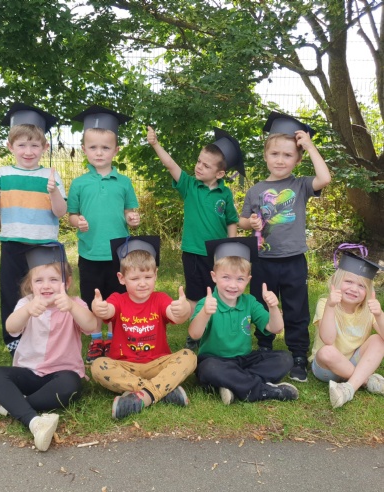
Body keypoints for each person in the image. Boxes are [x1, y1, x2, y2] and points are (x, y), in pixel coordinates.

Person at [239, 111, 332, 382]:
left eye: (288, 155)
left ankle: (298, 355)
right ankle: (265, 348)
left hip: (293, 260)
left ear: (298, 159)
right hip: (263, 260)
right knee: (261, 305)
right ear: (265, 156)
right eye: (275, 154)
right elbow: (242, 220)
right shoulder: (256, 190)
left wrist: (310, 146)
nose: (280, 160)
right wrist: (251, 222)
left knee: (296, 308)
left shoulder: (300, 185)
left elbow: (325, 178)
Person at [0, 243, 96, 452]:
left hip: (61, 375)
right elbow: (11, 327)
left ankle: (9, 405)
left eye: (54, 280)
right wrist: (27, 311)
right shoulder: (27, 303)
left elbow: (91, 326)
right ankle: (33, 421)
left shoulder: (74, 303)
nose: (46, 285)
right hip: (29, 373)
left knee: (71, 385)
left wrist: (72, 307)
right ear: (31, 285)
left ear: (67, 282)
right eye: (39, 280)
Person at [147, 126, 243, 352]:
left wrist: (231, 247)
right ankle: (194, 337)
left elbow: (231, 221)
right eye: (199, 161)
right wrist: (155, 144)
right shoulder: (189, 185)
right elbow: (171, 165)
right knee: (194, 296)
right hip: (192, 252)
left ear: (220, 174)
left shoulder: (225, 194)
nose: (199, 167)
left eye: (206, 165)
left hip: (218, 255)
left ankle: (218, 334)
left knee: (219, 294)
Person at [0, 103, 67, 355]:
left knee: (46, 291)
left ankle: (48, 336)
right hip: (12, 244)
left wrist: (53, 192)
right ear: (10, 147)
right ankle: (14, 339)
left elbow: (60, 212)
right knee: (12, 292)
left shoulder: (50, 175)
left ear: (44, 147)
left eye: (34, 145)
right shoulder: (3, 174)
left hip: (44, 246)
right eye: (21, 145)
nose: (28, 151)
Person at [91, 236, 197, 419]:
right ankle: (163, 390)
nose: (142, 283)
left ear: (156, 274)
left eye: (148, 277)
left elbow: (177, 316)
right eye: (135, 278)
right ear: (122, 278)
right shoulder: (117, 299)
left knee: (189, 356)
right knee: (98, 366)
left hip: (158, 364)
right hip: (125, 365)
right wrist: (98, 307)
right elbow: (107, 310)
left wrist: (184, 309)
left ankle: (143, 395)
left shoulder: (160, 299)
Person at [68, 105, 140, 363]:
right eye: (93, 147)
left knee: (116, 298)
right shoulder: (79, 183)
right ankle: (97, 339)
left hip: (119, 254)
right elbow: (71, 215)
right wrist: (78, 221)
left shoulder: (124, 182)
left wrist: (133, 219)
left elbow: (131, 214)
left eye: (105, 148)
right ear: (84, 149)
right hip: (90, 253)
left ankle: (114, 338)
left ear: (116, 151)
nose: (99, 153)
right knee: (94, 299)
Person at [189, 237, 298, 404]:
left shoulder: (249, 302)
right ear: (214, 276)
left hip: (245, 360)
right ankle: (263, 390)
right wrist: (205, 313)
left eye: (240, 279)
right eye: (226, 277)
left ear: (248, 280)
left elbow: (276, 328)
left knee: (285, 358)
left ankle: (233, 384)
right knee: (208, 369)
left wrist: (273, 307)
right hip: (215, 360)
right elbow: (194, 334)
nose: (233, 285)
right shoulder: (207, 303)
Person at [310, 245, 384, 408]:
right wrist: (330, 307)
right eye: (348, 281)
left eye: (361, 286)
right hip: (326, 367)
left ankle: (348, 389)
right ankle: (365, 380)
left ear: (368, 291)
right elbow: (328, 339)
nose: (353, 289)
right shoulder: (325, 303)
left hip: (353, 361)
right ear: (336, 282)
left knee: (378, 340)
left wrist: (379, 315)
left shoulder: (368, 310)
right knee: (327, 351)